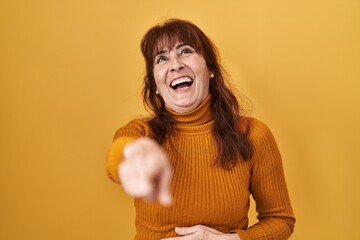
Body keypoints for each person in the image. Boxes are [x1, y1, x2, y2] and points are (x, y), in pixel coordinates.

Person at [106, 19, 295, 240]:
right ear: (155, 86)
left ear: (211, 69)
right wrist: (132, 157)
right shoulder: (142, 133)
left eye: (185, 51)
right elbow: (119, 159)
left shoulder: (253, 135)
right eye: (162, 58)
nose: (175, 64)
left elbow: (281, 220)